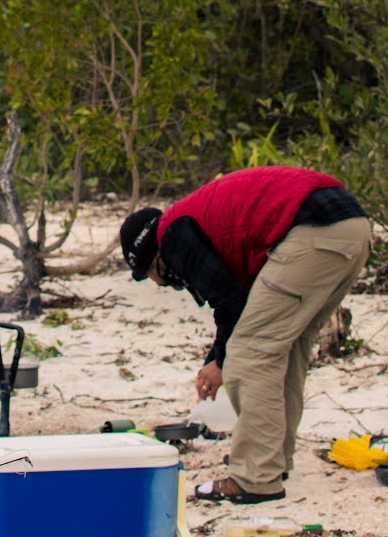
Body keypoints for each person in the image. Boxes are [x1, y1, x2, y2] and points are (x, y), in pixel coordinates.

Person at [119, 166, 372, 505]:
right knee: (286, 345)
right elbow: (240, 307)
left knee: (251, 354)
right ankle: (272, 460)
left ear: (152, 258)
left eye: (148, 274)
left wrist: (222, 362)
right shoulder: (195, 222)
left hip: (311, 230)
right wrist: (216, 358)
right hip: (351, 227)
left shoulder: (173, 235)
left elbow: (232, 307)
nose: (156, 283)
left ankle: (255, 477)